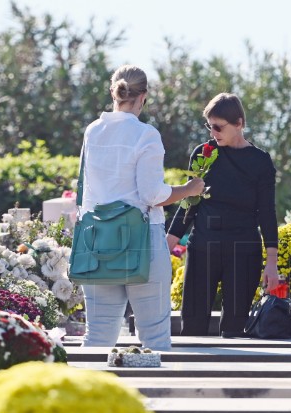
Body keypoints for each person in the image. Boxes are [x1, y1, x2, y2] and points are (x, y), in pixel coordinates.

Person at [80, 65, 205, 350]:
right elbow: (152, 194)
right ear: (143, 97)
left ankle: (89, 394)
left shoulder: (93, 131)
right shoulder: (146, 135)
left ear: (114, 92)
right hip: (142, 242)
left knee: (97, 336)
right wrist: (189, 189)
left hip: (97, 240)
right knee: (154, 337)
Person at [167, 93, 279, 337]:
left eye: (218, 127)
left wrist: (272, 262)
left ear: (238, 123)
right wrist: (170, 241)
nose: (212, 133)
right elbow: (190, 201)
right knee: (193, 326)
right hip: (203, 247)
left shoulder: (260, 162)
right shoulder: (204, 153)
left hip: (243, 251)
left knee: (234, 329)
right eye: (209, 126)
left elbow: (268, 214)